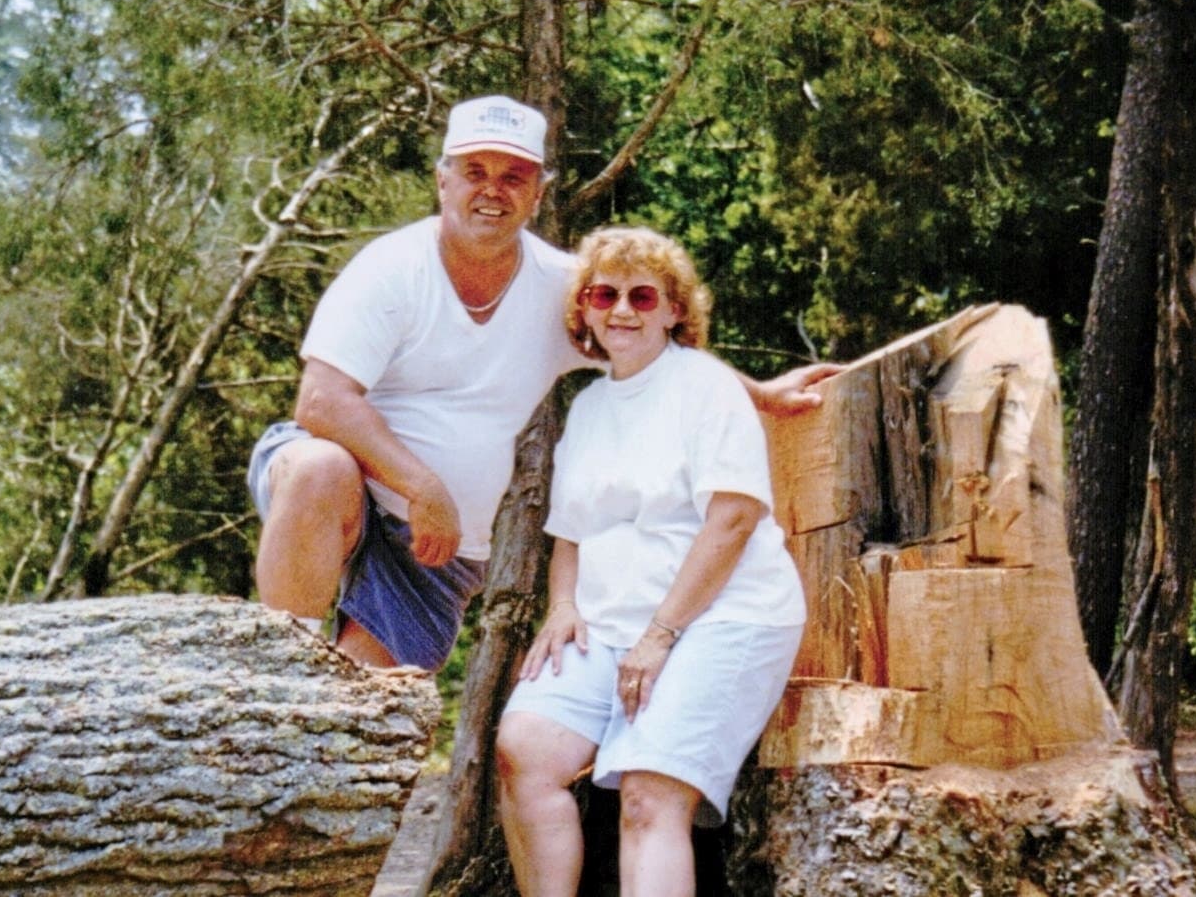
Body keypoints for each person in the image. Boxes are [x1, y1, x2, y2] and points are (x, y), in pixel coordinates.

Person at [247, 95, 832, 672]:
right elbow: (321, 400)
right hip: (346, 494)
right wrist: (423, 487)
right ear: (443, 181)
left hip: (437, 552)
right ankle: (280, 677)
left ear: (537, 194)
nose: (492, 190)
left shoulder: (561, 290)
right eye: (475, 172)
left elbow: (657, 351)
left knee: (363, 714)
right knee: (319, 467)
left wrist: (761, 394)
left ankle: (314, 721)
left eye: (514, 176)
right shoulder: (392, 267)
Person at [495, 226, 810, 897]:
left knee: (647, 796)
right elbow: (570, 533)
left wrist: (659, 635)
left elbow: (732, 517)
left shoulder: (705, 386)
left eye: (643, 295)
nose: (622, 309)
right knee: (523, 751)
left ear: (674, 310)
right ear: (582, 309)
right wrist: (562, 604)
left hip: (724, 617)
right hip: (610, 627)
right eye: (604, 294)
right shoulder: (587, 407)